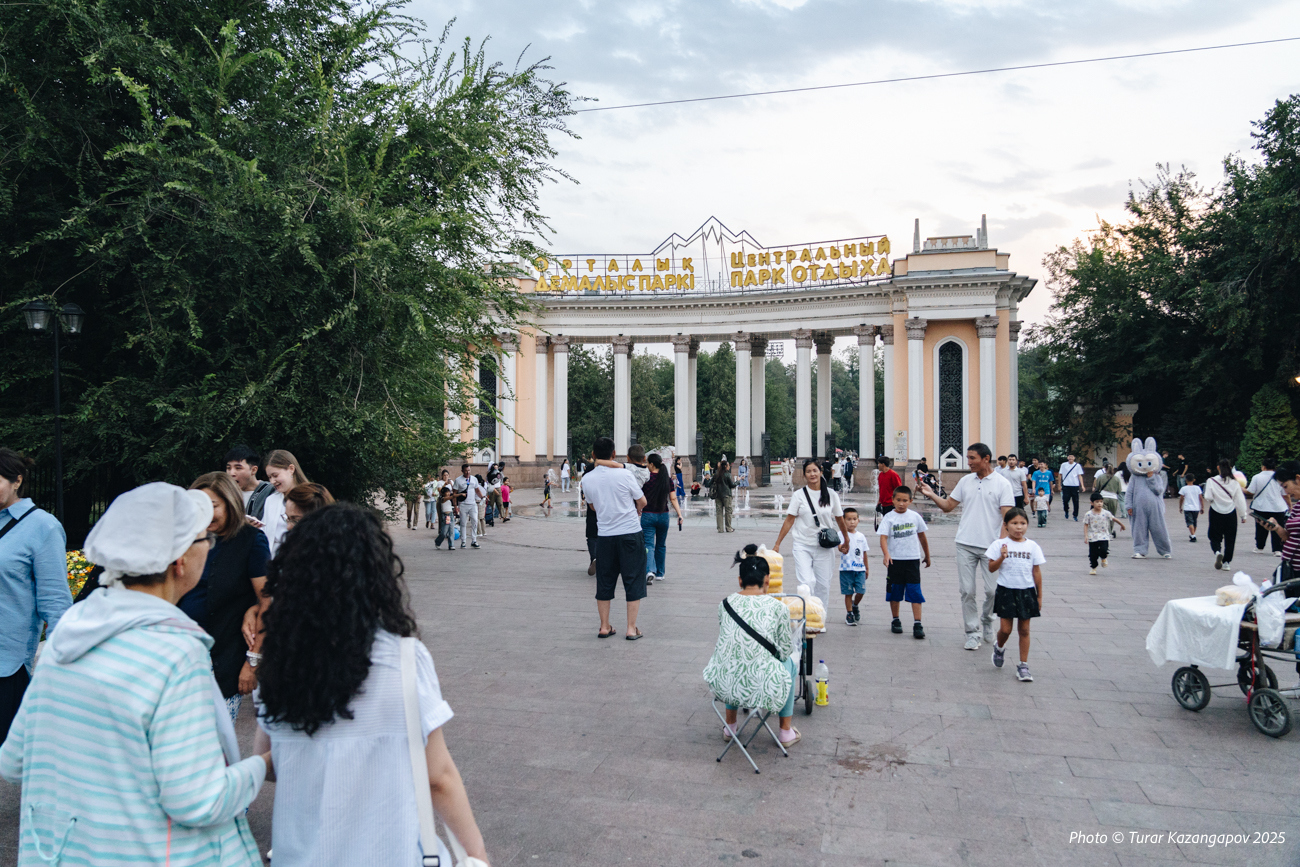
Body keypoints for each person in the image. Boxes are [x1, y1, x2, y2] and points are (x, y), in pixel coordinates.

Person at [1, 482, 268, 865]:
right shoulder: (175, 653)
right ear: (180, 561)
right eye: (204, 540)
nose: (209, 547)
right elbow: (199, 801)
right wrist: (262, 765)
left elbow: (14, 762)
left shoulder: (68, 637)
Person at [253, 503, 488, 866]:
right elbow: (438, 776)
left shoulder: (279, 660)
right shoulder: (404, 659)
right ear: (375, 576)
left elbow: (267, 765)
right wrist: (476, 853)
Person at [181, 472, 271, 722]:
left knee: (216, 746)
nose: (206, 514)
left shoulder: (249, 540)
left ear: (231, 503)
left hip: (224, 660)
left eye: (213, 506)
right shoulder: (186, 540)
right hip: (182, 659)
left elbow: (268, 601)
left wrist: (252, 662)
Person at [0, 448, 70, 744]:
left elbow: (55, 602)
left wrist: (60, 664)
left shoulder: (43, 527)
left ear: (17, 480)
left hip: (6, 662)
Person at [918, 443, 1015, 650]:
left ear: (986, 459)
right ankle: (972, 632)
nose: (968, 462)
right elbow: (947, 507)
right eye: (968, 458)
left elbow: (1008, 518)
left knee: (992, 591)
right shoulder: (965, 481)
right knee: (967, 591)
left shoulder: (1002, 484)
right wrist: (931, 494)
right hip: (965, 544)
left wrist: (1001, 545)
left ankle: (987, 618)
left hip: (991, 547)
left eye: (972, 458)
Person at [704, 546, 800, 747]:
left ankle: (730, 727)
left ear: (740, 580)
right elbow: (784, 650)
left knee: (734, 659)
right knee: (791, 664)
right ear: (767, 581)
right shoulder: (779, 608)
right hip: (764, 687)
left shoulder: (725, 604)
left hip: (724, 684)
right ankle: (785, 732)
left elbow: (729, 641)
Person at [583, 437, 648, 639]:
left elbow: (592, 506)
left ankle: (604, 626)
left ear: (593, 455)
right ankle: (631, 628)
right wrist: (636, 507)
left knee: (604, 580)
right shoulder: (625, 475)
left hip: (605, 536)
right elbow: (642, 501)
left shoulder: (587, 479)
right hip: (630, 533)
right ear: (614, 454)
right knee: (633, 579)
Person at [772, 458, 850, 615]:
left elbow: (840, 519)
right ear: (804, 475)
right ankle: (807, 616)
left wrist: (846, 540)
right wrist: (777, 543)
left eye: (815, 470)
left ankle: (819, 617)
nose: (812, 474)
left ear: (821, 472)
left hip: (825, 547)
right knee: (806, 583)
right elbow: (789, 520)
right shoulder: (799, 495)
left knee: (823, 585)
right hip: (802, 545)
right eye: (808, 471)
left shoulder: (831, 495)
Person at [987, 508, 1046, 683]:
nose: (1018, 527)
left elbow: (1036, 571)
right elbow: (991, 568)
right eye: (1014, 523)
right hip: (1006, 590)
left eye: (1022, 523)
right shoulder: (999, 545)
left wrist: (1039, 596)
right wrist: (1001, 557)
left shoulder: (1032, 546)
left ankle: (1023, 665)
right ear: (1005, 525)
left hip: (1026, 591)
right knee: (1005, 629)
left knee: (1024, 630)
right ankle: (999, 647)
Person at [877, 485, 930, 638]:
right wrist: (886, 554)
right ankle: (895, 619)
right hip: (895, 561)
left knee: (915, 591)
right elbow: (883, 537)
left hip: (912, 560)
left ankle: (918, 623)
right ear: (893, 500)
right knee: (895, 591)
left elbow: (922, 537)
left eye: (905, 500)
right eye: (898, 500)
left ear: (910, 501)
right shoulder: (889, 517)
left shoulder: (915, 517)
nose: (901, 503)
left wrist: (927, 554)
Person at [641, 453, 684, 584]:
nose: (647, 466)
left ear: (652, 464)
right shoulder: (667, 479)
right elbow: (673, 498)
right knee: (661, 545)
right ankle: (660, 573)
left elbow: (639, 497)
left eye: (648, 463)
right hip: (663, 516)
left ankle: (649, 570)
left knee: (648, 544)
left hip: (648, 514)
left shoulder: (646, 479)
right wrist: (680, 514)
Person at [262, 449, 309, 557]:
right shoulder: (270, 500)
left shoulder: (309, 497)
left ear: (291, 469)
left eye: (275, 475)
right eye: (269, 477)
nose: (272, 481)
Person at [1203, 458, 1248, 571]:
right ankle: (1227, 562)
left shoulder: (1211, 481)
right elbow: (1240, 500)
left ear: (1218, 467)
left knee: (1214, 535)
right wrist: (1243, 515)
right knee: (1230, 538)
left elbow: (1208, 497)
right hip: (1230, 513)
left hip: (1215, 511)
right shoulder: (1235, 483)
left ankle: (1217, 552)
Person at [1247, 456, 1288, 556]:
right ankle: (1277, 550)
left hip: (1261, 506)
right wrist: (1289, 505)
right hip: (1278, 507)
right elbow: (1285, 494)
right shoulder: (1279, 477)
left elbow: (1250, 491)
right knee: (1277, 527)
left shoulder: (1256, 477)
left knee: (1261, 528)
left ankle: (1260, 547)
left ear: (1263, 466)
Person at [226, 444, 276, 521]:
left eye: (238, 468)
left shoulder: (270, 492)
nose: (232, 473)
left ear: (253, 470)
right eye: (228, 468)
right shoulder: (225, 493)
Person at [838, 507, 870, 627]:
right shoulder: (841, 534)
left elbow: (864, 553)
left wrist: (867, 568)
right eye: (849, 519)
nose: (852, 522)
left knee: (861, 591)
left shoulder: (861, 536)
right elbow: (839, 546)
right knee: (848, 592)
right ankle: (849, 613)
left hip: (860, 569)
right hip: (846, 569)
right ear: (843, 520)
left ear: (858, 520)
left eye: (855, 519)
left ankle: (855, 605)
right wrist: (842, 548)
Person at [1083, 492, 1125, 574]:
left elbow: (1114, 519)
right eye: (1097, 502)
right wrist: (1086, 536)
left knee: (1104, 549)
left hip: (1104, 535)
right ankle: (1093, 567)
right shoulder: (1088, 514)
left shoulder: (1106, 513)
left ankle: (1103, 558)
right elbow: (1086, 525)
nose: (1099, 504)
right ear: (1092, 503)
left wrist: (1122, 525)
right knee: (1093, 554)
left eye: (1101, 502)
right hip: (1093, 536)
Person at [452, 465, 484, 548]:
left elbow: (477, 490)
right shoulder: (458, 480)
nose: (468, 472)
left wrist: (482, 497)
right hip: (463, 504)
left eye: (469, 470)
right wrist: (455, 506)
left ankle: (474, 540)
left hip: (473, 504)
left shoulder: (474, 479)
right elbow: (454, 493)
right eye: (466, 471)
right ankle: (463, 541)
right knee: (463, 523)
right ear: (462, 470)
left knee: (475, 521)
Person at [876, 456, 903, 530]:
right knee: (887, 524)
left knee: (892, 524)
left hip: (891, 504)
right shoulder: (880, 475)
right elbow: (881, 489)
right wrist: (879, 502)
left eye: (879, 463)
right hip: (884, 504)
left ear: (883, 464)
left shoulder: (893, 474)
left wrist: (897, 502)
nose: (878, 465)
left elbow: (899, 489)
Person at [712, 458, 737, 533]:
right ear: (725, 466)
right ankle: (728, 528)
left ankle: (720, 529)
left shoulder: (716, 474)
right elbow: (732, 485)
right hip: (726, 495)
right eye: (728, 465)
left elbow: (709, 483)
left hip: (718, 495)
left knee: (719, 512)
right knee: (728, 511)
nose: (729, 467)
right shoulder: (727, 475)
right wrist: (738, 481)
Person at [1058, 454, 1085, 521]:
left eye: (1072, 457)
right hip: (1066, 485)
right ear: (1067, 458)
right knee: (1065, 500)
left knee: (1076, 501)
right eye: (1069, 457)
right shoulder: (1063, 465)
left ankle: (1075, 515)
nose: (1070, 458)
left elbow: (1080, 476)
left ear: (1074, 458)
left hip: (1075, 485)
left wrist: (1082, 485)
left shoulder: (1077, 465)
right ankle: (1066, 510)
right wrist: (1059, 485)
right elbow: (1060, 475)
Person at [1178, 474, 1204, 543]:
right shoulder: (1197, 488)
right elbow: (1201, 498)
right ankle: (1193, 534)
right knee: (1194, 522)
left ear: (1186, 480)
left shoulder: (1184, 488)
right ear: (1194, 480)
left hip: (1187, 507)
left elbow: (1181, 498)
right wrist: (1202, 507)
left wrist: (1180, 506)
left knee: (1189, 522)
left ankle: (1193, 536)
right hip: (1196, 508)